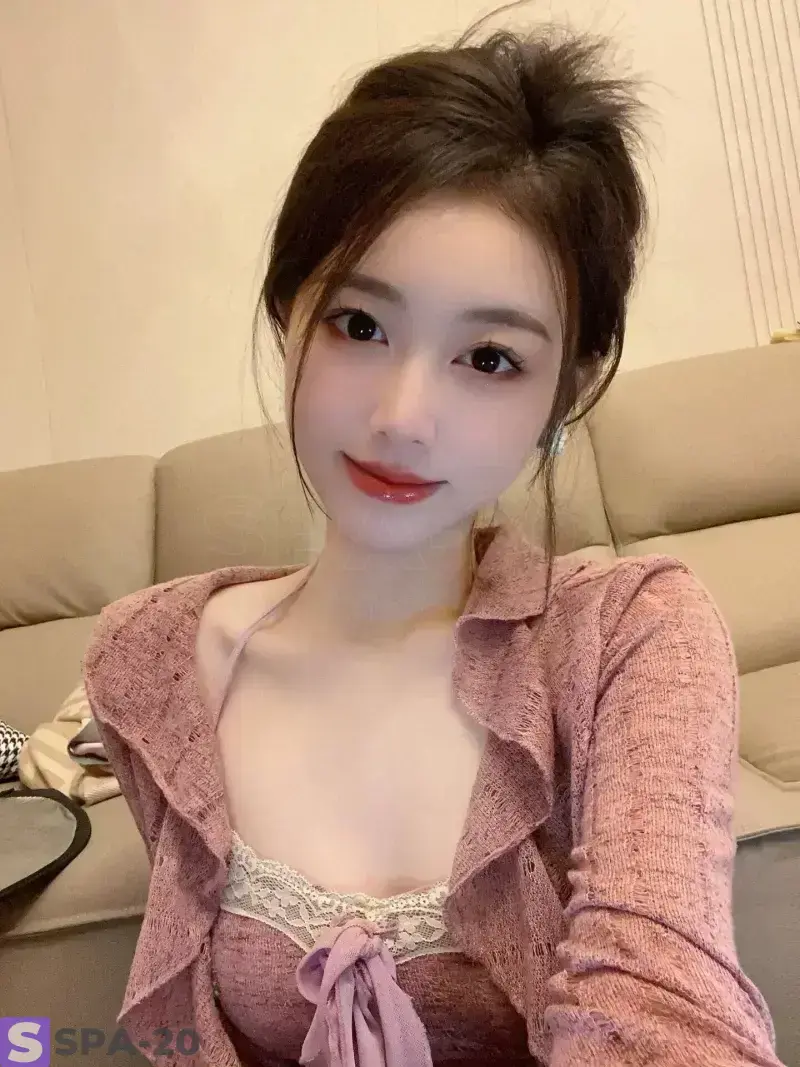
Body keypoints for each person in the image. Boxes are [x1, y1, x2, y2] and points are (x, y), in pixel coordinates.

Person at [82, 9, 783, 1067]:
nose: (403, 417)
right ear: (286, 314)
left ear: (566, 390)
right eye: (358, 325)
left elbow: (660, 1006)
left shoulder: (629, 637)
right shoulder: (150, 665)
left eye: (489, 357)